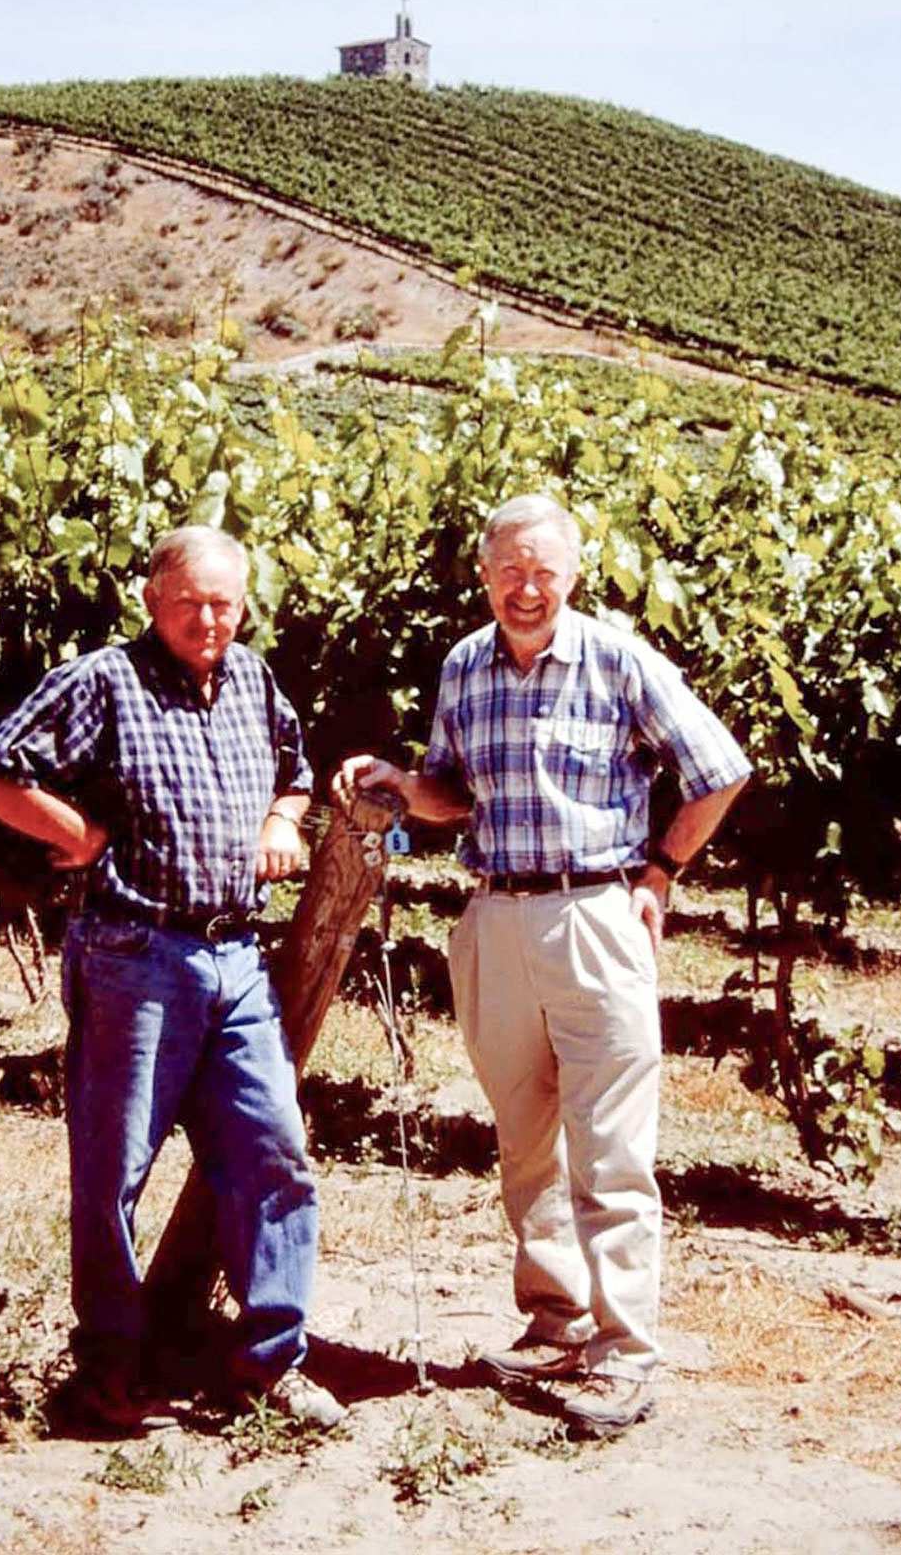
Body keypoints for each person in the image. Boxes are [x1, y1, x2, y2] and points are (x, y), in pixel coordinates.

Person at [336, 493, 749, 1439]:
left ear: (573, 574)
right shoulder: (462, 667)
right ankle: (555, 1323)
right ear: (484, 574)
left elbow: (719, 767)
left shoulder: (617, 659)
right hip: (493, 918)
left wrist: (662, 870)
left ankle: (624, 1355)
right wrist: (399, 785)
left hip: (594, 913)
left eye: (543, 572)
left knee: (610, 1149)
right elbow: (452, 794)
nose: (526, 589)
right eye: (509, 571)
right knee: (524, 1141)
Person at [0, 525, 345, 1434]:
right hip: (135, 955)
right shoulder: (105, 681)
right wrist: (79, 835)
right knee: (114, 1170)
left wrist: (283, 820)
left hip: (235, 959)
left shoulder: (252, 680)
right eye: (189, 604)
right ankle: (109, 1370)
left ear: (244, 606)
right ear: (151, 602)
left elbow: (294, 773)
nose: (208, 620)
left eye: (223, 604)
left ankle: (269, 1364)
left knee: (272, 1153)